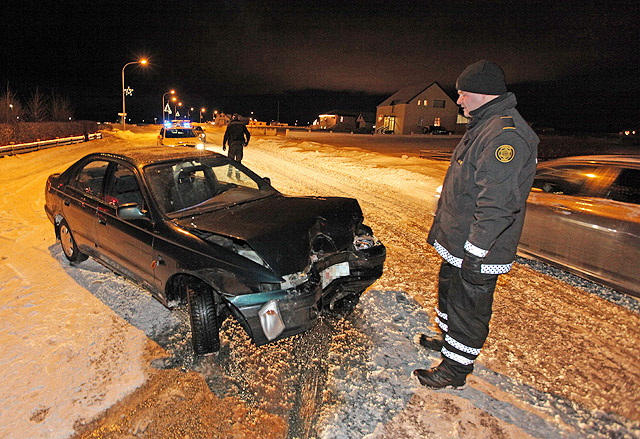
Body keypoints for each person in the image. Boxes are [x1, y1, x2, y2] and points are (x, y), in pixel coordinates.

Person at [413, 60, 539, 389]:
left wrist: (476, 251)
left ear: (482, 95)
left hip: (478, 249)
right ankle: (450, 343)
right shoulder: (485, 125)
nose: (458, 101)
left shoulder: (504, 135)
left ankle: (456, 370)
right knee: (450, 295)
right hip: (461, 242)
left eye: (462, 94)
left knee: (469, 307)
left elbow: (498, 203)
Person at [223, 114, 251, 178]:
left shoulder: (230, 125)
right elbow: (248, 134)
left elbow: (226, 135)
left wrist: (224, 144)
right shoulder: (242, 125)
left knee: (230, 160)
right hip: (239, 144)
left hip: (232, 144)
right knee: (238, 161)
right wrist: (246, 142)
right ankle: (238, 175)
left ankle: (229, 174)